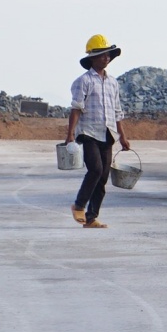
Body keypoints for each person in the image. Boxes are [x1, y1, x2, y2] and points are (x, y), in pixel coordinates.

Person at [64, 34, 131, 229]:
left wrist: (123, 136)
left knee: (103, 177)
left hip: (108, 133)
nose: (106, 58)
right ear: (92, 58)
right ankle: (78, 205)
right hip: (89, 132)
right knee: (95, 169)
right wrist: (70, 135)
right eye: (102, 55)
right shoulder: (83, 81)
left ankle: (92, 217)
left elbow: (117, 111)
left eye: (108, 55)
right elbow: (76, 108)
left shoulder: (112, 83)